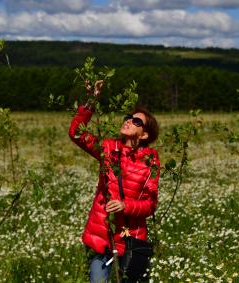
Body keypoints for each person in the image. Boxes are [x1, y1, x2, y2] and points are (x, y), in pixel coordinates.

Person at [68, 80, 160, 282]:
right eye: (128, 118)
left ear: (144, 134)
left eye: (137, 122)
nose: (128, 121)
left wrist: (124, 205)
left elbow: (150, 204)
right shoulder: (109, 148)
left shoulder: (151, 161)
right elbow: (76, 133)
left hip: (130, 241)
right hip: (101, 237)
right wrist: (92, 100)